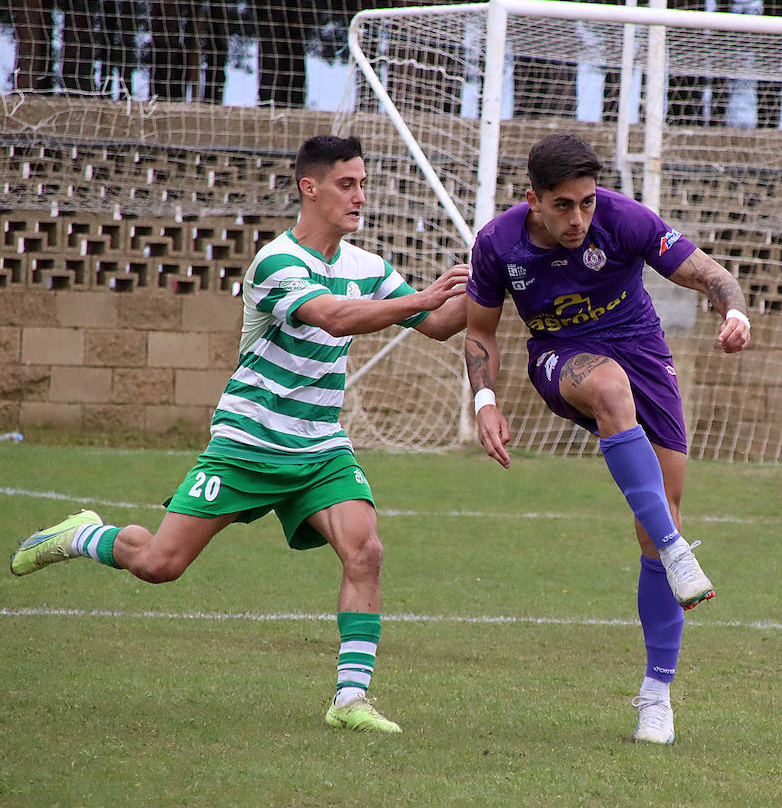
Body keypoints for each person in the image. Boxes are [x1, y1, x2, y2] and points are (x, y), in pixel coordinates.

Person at [9, 134, 470, 734]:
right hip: (248, 442)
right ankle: (83, 536)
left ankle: (350, 700)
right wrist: (427, 295)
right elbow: (332, 315)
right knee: (158, 564)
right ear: (311, 187)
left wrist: (505, 281)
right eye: (347, 184)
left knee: (366, 550)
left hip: (319, 446)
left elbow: (438, 323)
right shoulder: (275, 262)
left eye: (363, 183)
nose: (360, 196)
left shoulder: (368, 267)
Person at [463, 133, 751, 745]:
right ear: (532, 199)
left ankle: (656, 694)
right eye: (563, 205)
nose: (579, 218)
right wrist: (485, 400)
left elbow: (708, 273)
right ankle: (680, 551)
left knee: (656, 519)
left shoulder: (625, 219)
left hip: (644, 349)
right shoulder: (497, 243)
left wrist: (734, 312)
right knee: (611, 390)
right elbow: (480, 330)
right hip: (562, 359)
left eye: (587, 203)